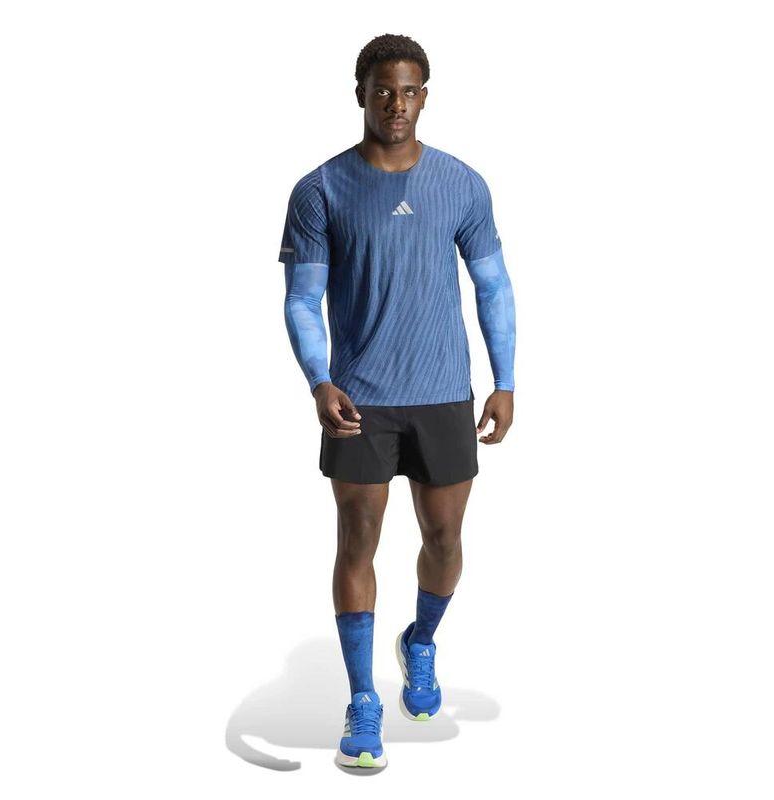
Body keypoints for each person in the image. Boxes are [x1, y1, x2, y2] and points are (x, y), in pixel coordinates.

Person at [277, 33, 516, 770]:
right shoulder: (320, 190)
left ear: (425, 96)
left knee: (445, 541)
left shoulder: (462, 184)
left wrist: (505, 381)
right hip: (360, 400)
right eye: (383, 90)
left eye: (409, 91)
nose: (396, 104)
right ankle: (362, 699)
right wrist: (319, 379)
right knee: (357, 538)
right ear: (361, 94)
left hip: (444, 392)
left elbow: (493, 285)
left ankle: (420, 642)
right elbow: (302, 300)